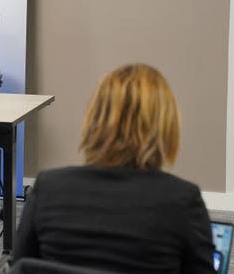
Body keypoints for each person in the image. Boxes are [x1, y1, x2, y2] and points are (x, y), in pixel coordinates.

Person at [13, 64, 216, 273]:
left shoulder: (49, 187)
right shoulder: (182, 201)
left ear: (94, 119)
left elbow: (20, 266)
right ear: (166, 126)